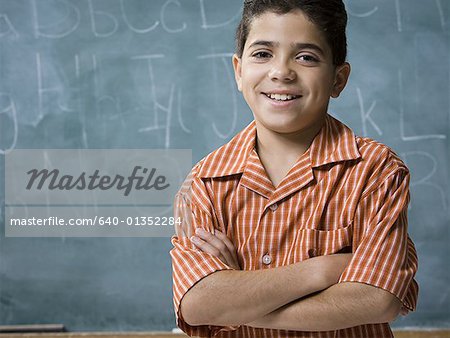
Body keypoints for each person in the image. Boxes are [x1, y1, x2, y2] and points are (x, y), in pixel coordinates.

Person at [169, 0, 419, 337]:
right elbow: (198, 304)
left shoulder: (376, 172)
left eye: (306, 57)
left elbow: (378, 299)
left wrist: (237, 300)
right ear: (239, 71)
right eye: (262, 54)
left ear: (338, 79)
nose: (281, 72)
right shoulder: (203, 184)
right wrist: (323, 270)